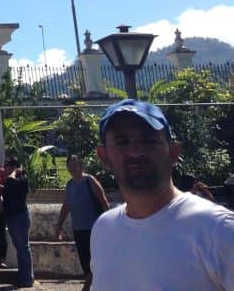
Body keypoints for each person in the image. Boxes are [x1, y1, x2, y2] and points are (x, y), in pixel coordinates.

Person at [91, 99, 234, 289]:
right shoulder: (103, 230)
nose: (135, 152)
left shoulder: (217, 229)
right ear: (104, 157)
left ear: (173, 152)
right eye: (122, 142)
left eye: (149, 140)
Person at [55, 154, 109, 287]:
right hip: (78, 229)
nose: (73, 168)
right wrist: (59, 227)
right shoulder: (69, 185)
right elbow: (66, 207)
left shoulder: (89, 181)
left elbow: (104, 202)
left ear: (81, 166)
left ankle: (93, 286)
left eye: (75, 165)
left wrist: (108, 225)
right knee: (85, 261)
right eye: (70, 165)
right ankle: (90, 284)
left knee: (95, 260)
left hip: (93, 228)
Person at [1, 156, 33, 288]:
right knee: (19, 247)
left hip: (19, 217)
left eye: (7, 166)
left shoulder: (21, 178)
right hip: (12, 216)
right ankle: (23, 276)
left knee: (23, 248)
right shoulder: (12, 179)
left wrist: (15, 171)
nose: (5, 168)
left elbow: (10, 181)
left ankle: (27, 278)